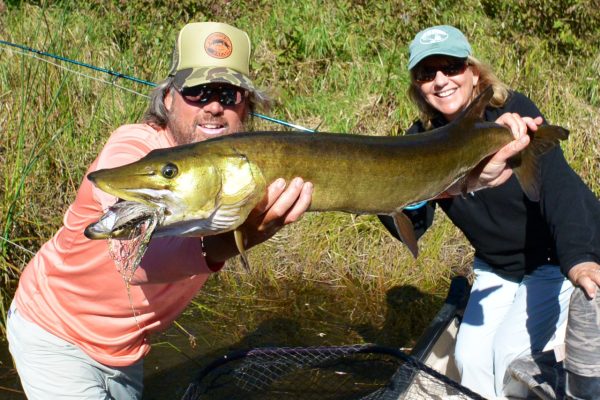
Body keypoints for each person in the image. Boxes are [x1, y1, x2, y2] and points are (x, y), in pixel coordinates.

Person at [6, 22, 314, 399]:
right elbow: (131, 257)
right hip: (54, 334)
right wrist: (232, 243)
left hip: (125, 352)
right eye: (197, 91)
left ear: (246, 107)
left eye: (229, 94)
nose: (214, 106)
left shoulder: (235, 170)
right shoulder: (135, 151)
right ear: (168, 98)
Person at [379, 25, 600, 398]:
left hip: (549, 262)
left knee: (509, 357)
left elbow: (560, 187)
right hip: (497, 267)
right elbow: (414, 225)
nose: (441, 80)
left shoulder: (513, 113)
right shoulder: (418, 140)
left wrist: (579, 258)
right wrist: (398, 191)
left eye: (451, 67)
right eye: (426, 73)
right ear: (417, 85)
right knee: (470, 361)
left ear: (473, 71)